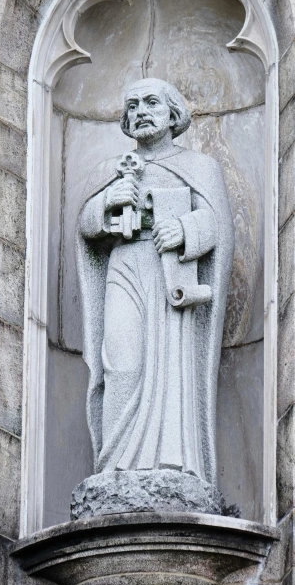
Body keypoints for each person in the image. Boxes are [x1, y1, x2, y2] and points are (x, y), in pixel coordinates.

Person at [76, 78, 234, 485]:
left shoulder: (199, 167)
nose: (141, 111)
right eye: (132, 106)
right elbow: (87, 226)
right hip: (125, 267)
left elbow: (216, 225)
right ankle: (113, 466)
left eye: (151, 103)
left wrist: (184, 230)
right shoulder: (115, 170)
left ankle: (171, 466)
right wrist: (108, 203)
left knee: (170, 366)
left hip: (170, 276)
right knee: (121, 363)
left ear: (173, 114)